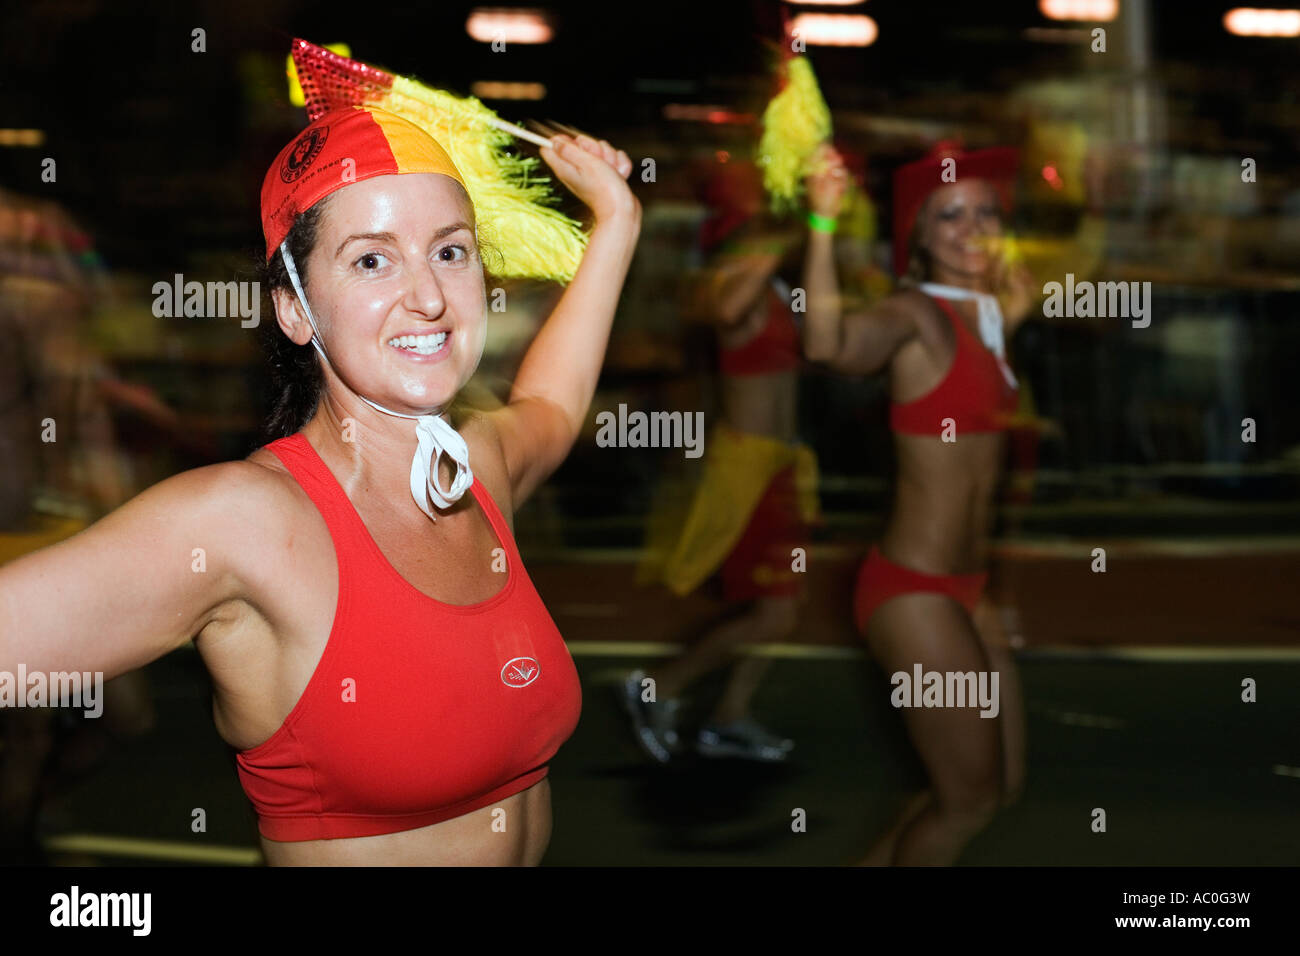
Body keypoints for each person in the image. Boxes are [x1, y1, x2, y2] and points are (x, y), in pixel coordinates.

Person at [0, 59, 640, 863]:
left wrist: (615, 223)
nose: (429, 296)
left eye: (451, 251)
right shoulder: (243, 522)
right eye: (372, 260)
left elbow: (552, 405)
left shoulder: (477, 466)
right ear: (295, 309)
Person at [801, 141, 1032, 865]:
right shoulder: (914, 315)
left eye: (986, 213)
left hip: (968, 593)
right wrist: (823, 224)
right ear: (918, 239)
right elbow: (830, 342)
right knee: (966, 803)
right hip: (915, 595)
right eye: (949, 217)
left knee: (993, 791)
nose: (972, 229)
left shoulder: (986, 316)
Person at [623, 157, 817, 764]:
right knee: (778, 613)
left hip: (782, 468)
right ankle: (659, 688)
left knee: (780, 610)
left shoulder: (780, 289)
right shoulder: (730, 285)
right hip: (750, 470)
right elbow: (729, 313)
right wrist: (779, 237)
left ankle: (727, 716)